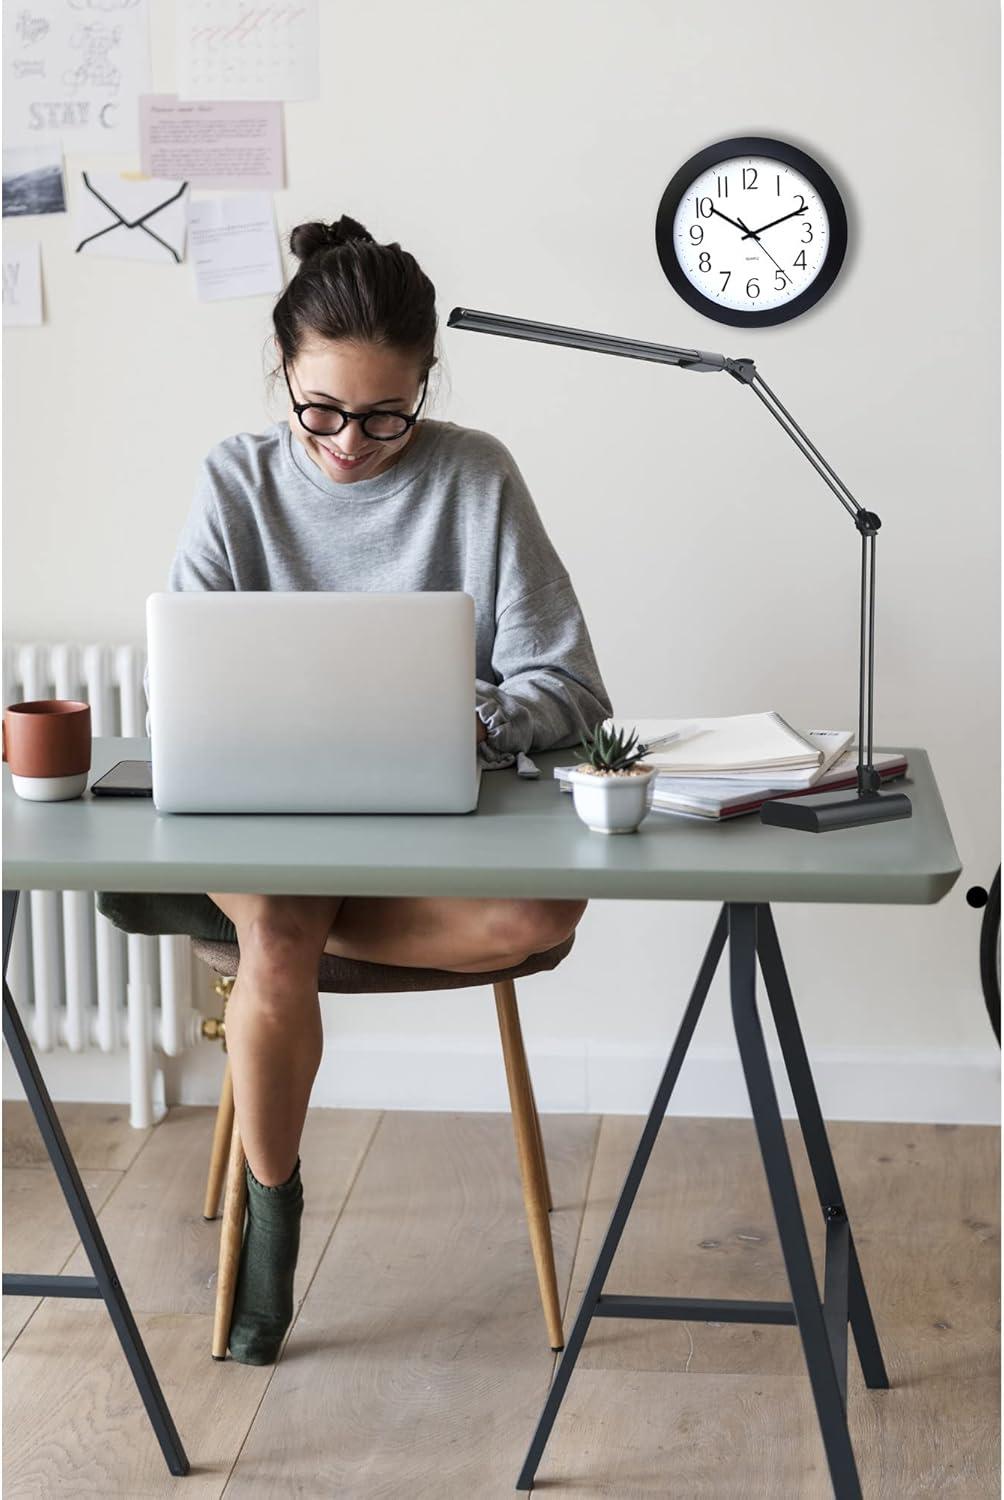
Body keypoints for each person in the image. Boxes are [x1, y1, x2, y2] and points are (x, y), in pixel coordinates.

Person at [99, 213, 613, 1365]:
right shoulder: (234, 479)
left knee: (536, 916)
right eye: (319, 410)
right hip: (263, 815)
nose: (348, 441)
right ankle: (270, 1212)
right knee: (280, 931)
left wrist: (473, 715)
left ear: (426, 381)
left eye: (386, 414)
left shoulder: (474, 475)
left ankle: (231, 921)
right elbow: (184, 675)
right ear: (281, 371)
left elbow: (570, 687)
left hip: (429, 821)